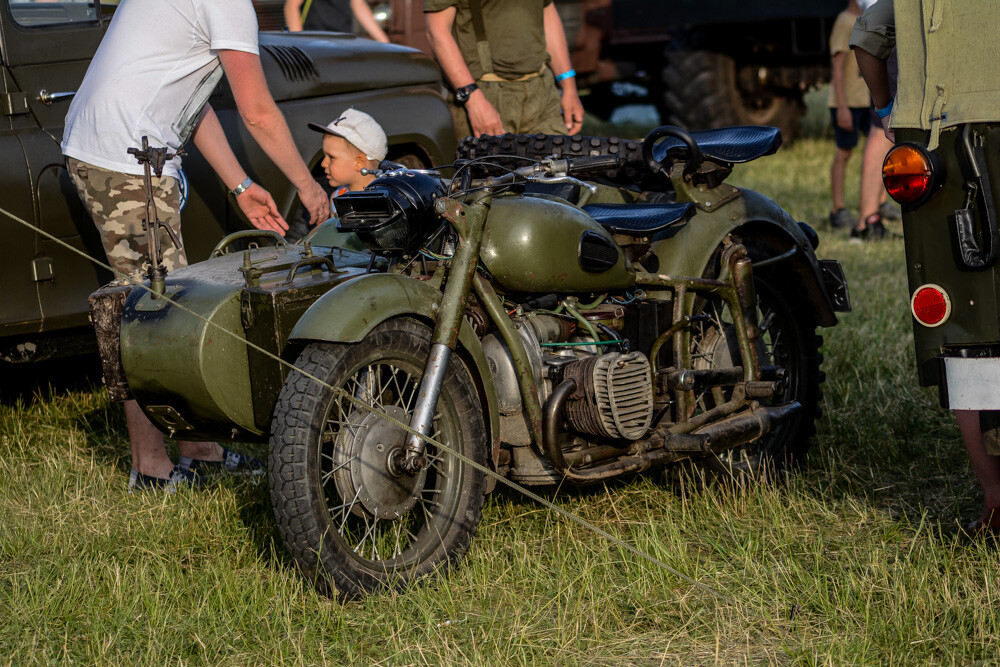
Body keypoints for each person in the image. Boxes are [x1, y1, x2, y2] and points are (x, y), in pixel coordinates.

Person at [62, 0, 330, 491]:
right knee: (151, 314)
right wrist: (309, 187)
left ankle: (199, 451)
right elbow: (257, 111)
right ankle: (149, 468)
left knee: (161, 303)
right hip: (128, 160)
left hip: (107, 148)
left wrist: (241, 185)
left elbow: (192, 95)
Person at [852, 0, 1000, 535]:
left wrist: (884, 105)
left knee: (963, 324)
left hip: (932, 143)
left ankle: (993, 495)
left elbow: (867, 36)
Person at [423, 0, 584, 138]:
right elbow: (437, 32)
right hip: (488, 96)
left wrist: (569, 86)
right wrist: (474, 101)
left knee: (558, 172)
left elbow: (546, 11)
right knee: (491, 173)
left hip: (542, 90)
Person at [827, 0, 893, 239]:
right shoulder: (846, 21)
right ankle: (838, 208)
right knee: (845, 152)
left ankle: (880, 202)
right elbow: (836, 69)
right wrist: (842, 106)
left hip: (865, 101)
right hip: (847, 104)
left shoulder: (865, 19)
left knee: (880, 147)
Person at [308, 108, 388, 196]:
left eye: (331, 157)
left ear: (359, 162)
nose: (323, 164)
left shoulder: (384, 200)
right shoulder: (337, 196)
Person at [284, 0, 389, 42]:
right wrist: (298, 43)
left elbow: (359, 6)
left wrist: (385, 43)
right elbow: (291, 7)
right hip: (314, 41)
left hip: (342, 40)